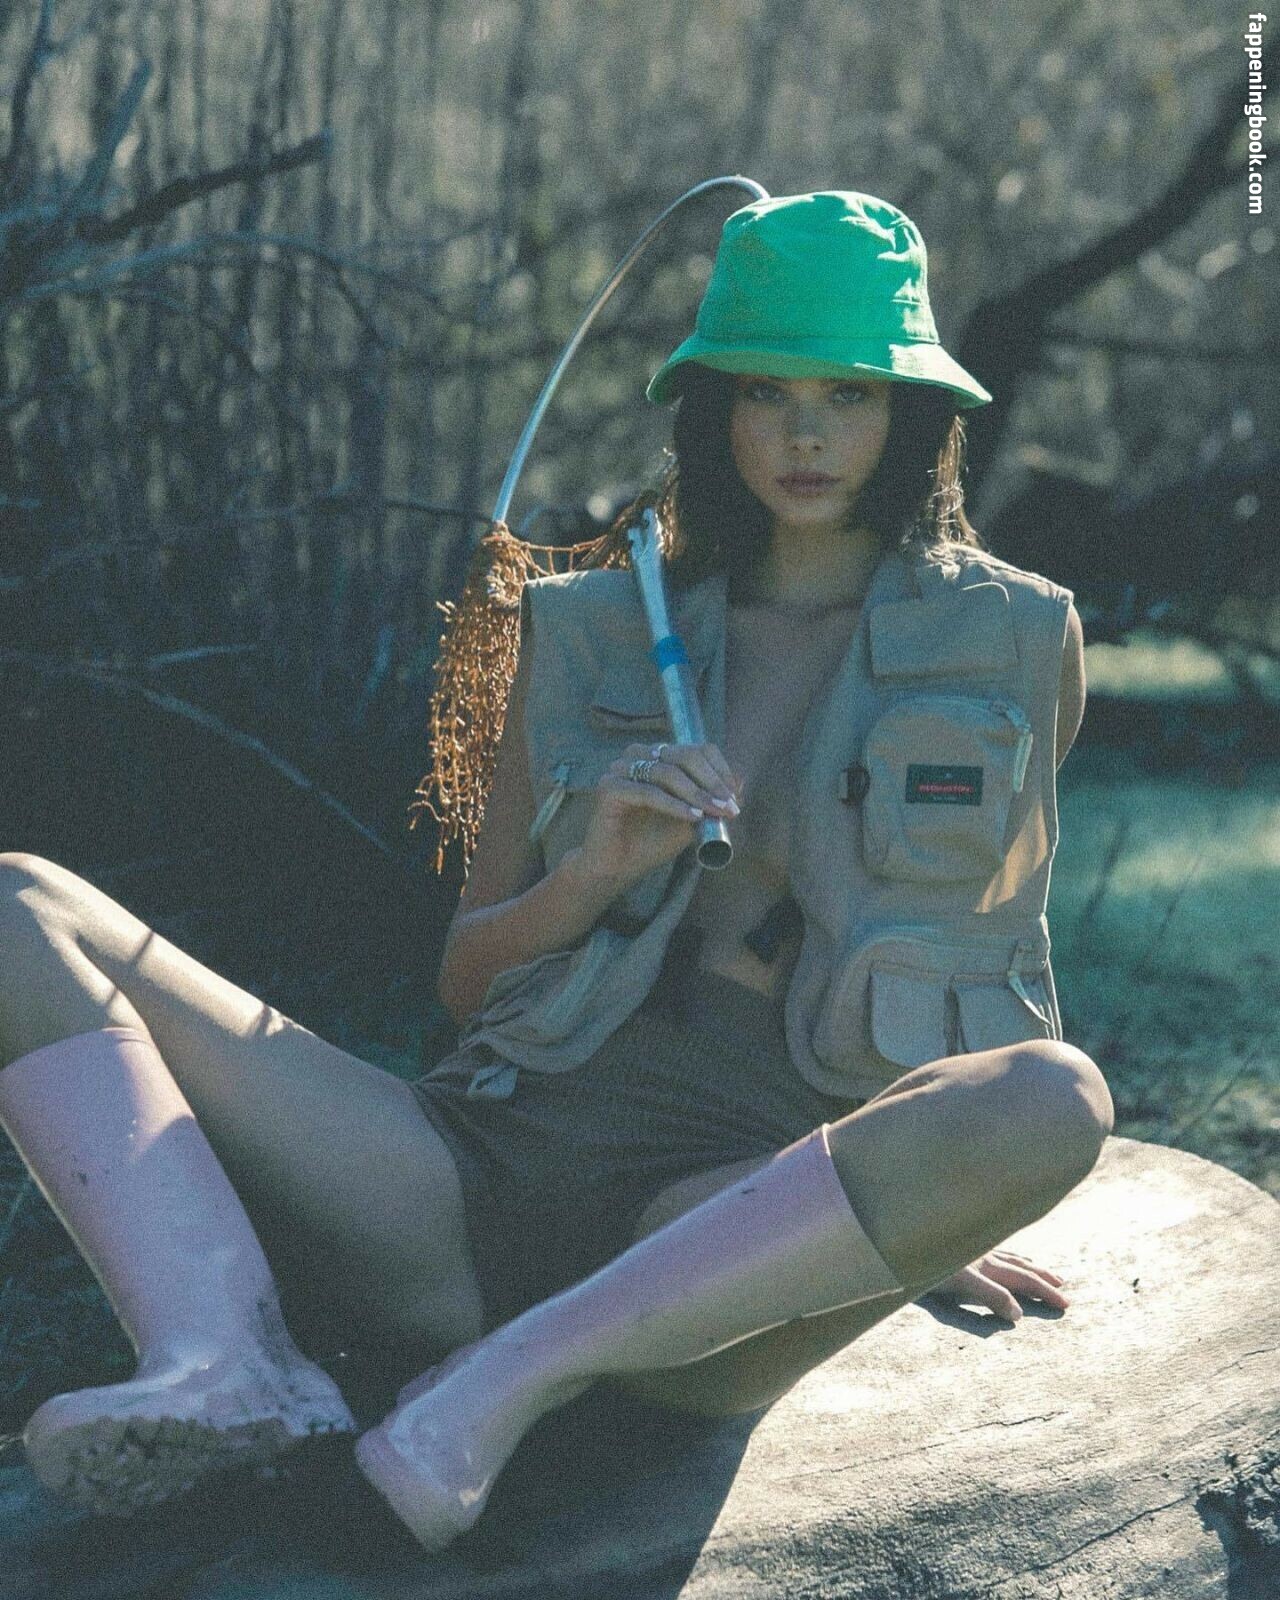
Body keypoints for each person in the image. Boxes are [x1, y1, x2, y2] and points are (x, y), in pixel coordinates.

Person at [0, 191, 1113, 1548]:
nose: (806, 435)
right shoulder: (589, 626)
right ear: (712, 410)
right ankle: (223, 1361)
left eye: (849, 394)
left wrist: (923, 1197)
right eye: (765, 393)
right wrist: (588, 871)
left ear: (914, 414)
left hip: (715, 1240)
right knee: (17, 904)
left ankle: (512, 1379)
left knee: (1054, 1098)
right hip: (466, 1184)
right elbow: (468, 983)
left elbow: (993, 955)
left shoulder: (1017, 641)